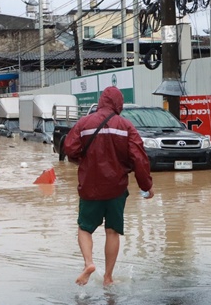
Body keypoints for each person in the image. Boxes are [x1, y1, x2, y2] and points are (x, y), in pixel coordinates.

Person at [63, 86, 154, 287]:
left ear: (101, 101)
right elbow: (139, 158)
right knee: (112, 231)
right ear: (118, 104)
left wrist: (81, 161)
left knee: (84, 228)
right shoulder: (126, 126)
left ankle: (89, 263)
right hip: (116, 188)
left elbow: (69, 148)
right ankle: (108, 277)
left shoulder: (84, 123)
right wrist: (146, 185)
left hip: (89, 186)